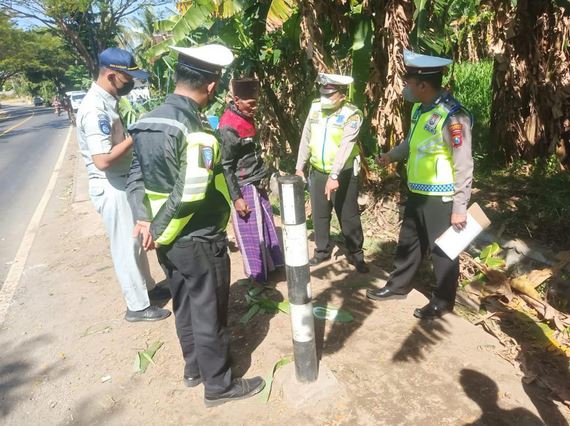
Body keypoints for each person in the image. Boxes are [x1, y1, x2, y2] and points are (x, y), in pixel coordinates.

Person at [126, 44, 265, 407]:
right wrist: (161, 229)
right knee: (209, 309)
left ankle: (193, 369)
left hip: (167, 239)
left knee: (184, 302)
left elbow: (135, 178)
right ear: (212, 86)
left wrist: (146, 220)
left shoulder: (146, 121)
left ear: (176, 78)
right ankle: (218, 385)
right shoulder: (196, 130)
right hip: (195, 236)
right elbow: (189, 193)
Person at [366, 49, 474, 320]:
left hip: (442, 198)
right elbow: (413, 143)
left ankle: (443, 300)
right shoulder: (419, 109)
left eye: (408, 83)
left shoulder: (453, 117)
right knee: (409, 242)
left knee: (443, 250)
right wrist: (392, 155)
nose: (405, 88)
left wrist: (460, 206)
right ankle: (398, 286)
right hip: (417, 191)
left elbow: (464, 164)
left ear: (423, 85)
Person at [76, 47, 171, 323]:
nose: (131, 83)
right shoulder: (95, 110)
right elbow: (102, 160)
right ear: (110, 74)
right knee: (126, 246)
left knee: (136, 241)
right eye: (126, 78)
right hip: (111, 184)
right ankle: (137, 306)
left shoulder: (107, 101)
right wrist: (136, 136)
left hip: (122, 181)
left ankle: (148, 289)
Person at [295, 73, 369, 273]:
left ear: (342, 95)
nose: (325, 97)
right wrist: (299, 166)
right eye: (323, 93)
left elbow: (346, 147)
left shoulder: (352, 114)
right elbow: (306, 137)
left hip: (343, 172)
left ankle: (356, 255)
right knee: (319, 213)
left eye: (330, 94)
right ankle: (322, 251)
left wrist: (334, 176)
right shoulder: (316, 108)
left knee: (348, 215)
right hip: (318, 169)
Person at [218, 77, 284, 286]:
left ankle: (271, 267)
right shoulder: (229, 125)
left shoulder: (246, 116)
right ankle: (257, 276)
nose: (255, 108)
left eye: (257, 102)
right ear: (237, 100)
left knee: (265, 225)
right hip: (242, 185)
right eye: (250, 103)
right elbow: (226, 165)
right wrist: (236, 198)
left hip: (256, 180)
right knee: (251, 233)